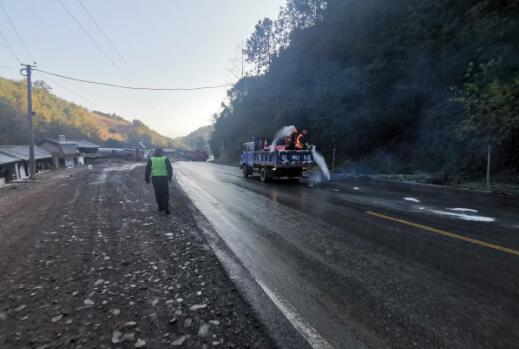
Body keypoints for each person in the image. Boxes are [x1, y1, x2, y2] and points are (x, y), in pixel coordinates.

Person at [145, 148, 173, 214]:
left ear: (155, 152)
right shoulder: (165, 158)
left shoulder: (151, 159)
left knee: (158, 193)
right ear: (162, 152)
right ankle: (166, 207)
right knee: (165, 193)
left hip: (155, 179)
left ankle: (160, 208)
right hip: (164, 178)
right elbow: (170, 169)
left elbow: (147, 170)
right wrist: (170, 177)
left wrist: (147, 179)